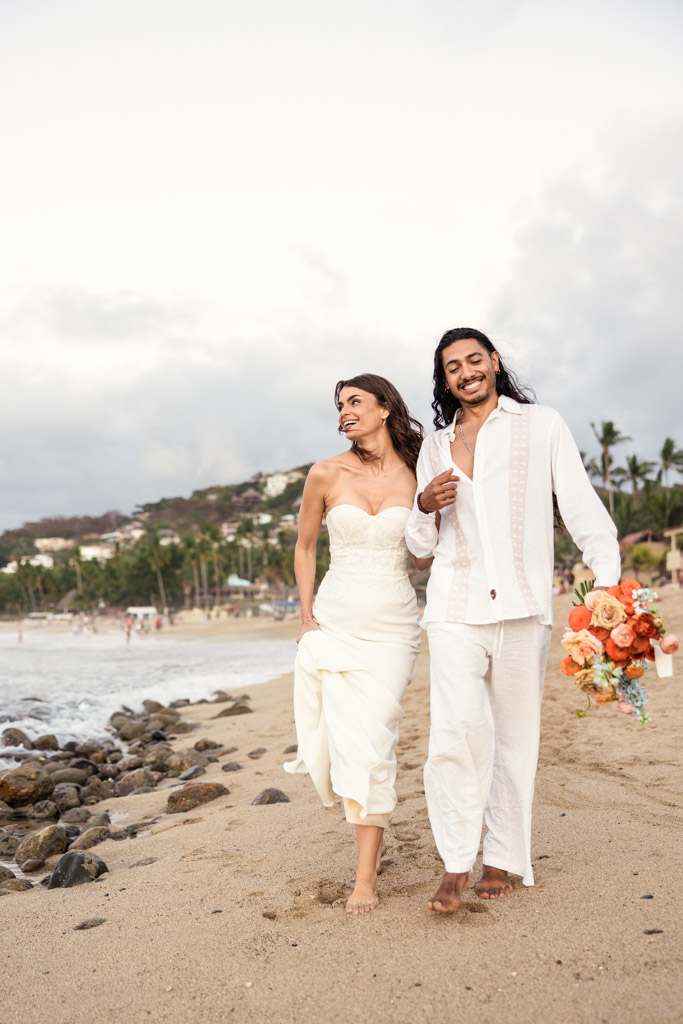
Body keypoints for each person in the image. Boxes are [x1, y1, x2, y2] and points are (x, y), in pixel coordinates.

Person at [405, 328, 621, 912]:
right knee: (454, 732)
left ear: (495, 363)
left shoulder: (541, 424)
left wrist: (606, 582)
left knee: (515, 738)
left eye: (475, 360)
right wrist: (425, 506)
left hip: (524, 606)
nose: (466, 372)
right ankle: (455, 862)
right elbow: (420, 546)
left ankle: (501, 856)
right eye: (453, 367)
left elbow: (578, 502)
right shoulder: (436, 446)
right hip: (454, 606)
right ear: (445, 380)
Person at [284, 373, 430, 914]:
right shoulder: (325, 473)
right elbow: (304, 549)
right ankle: (364, 875)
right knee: (356, 744)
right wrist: (306, 618)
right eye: (339, 405)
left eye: (355, 402)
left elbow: (422, 557)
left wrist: (432, 512)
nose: (344, 412)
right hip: (337, 619)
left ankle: (367, 863)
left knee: (376, 736)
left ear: (385, 408)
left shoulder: (417, 476)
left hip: (394, 626)